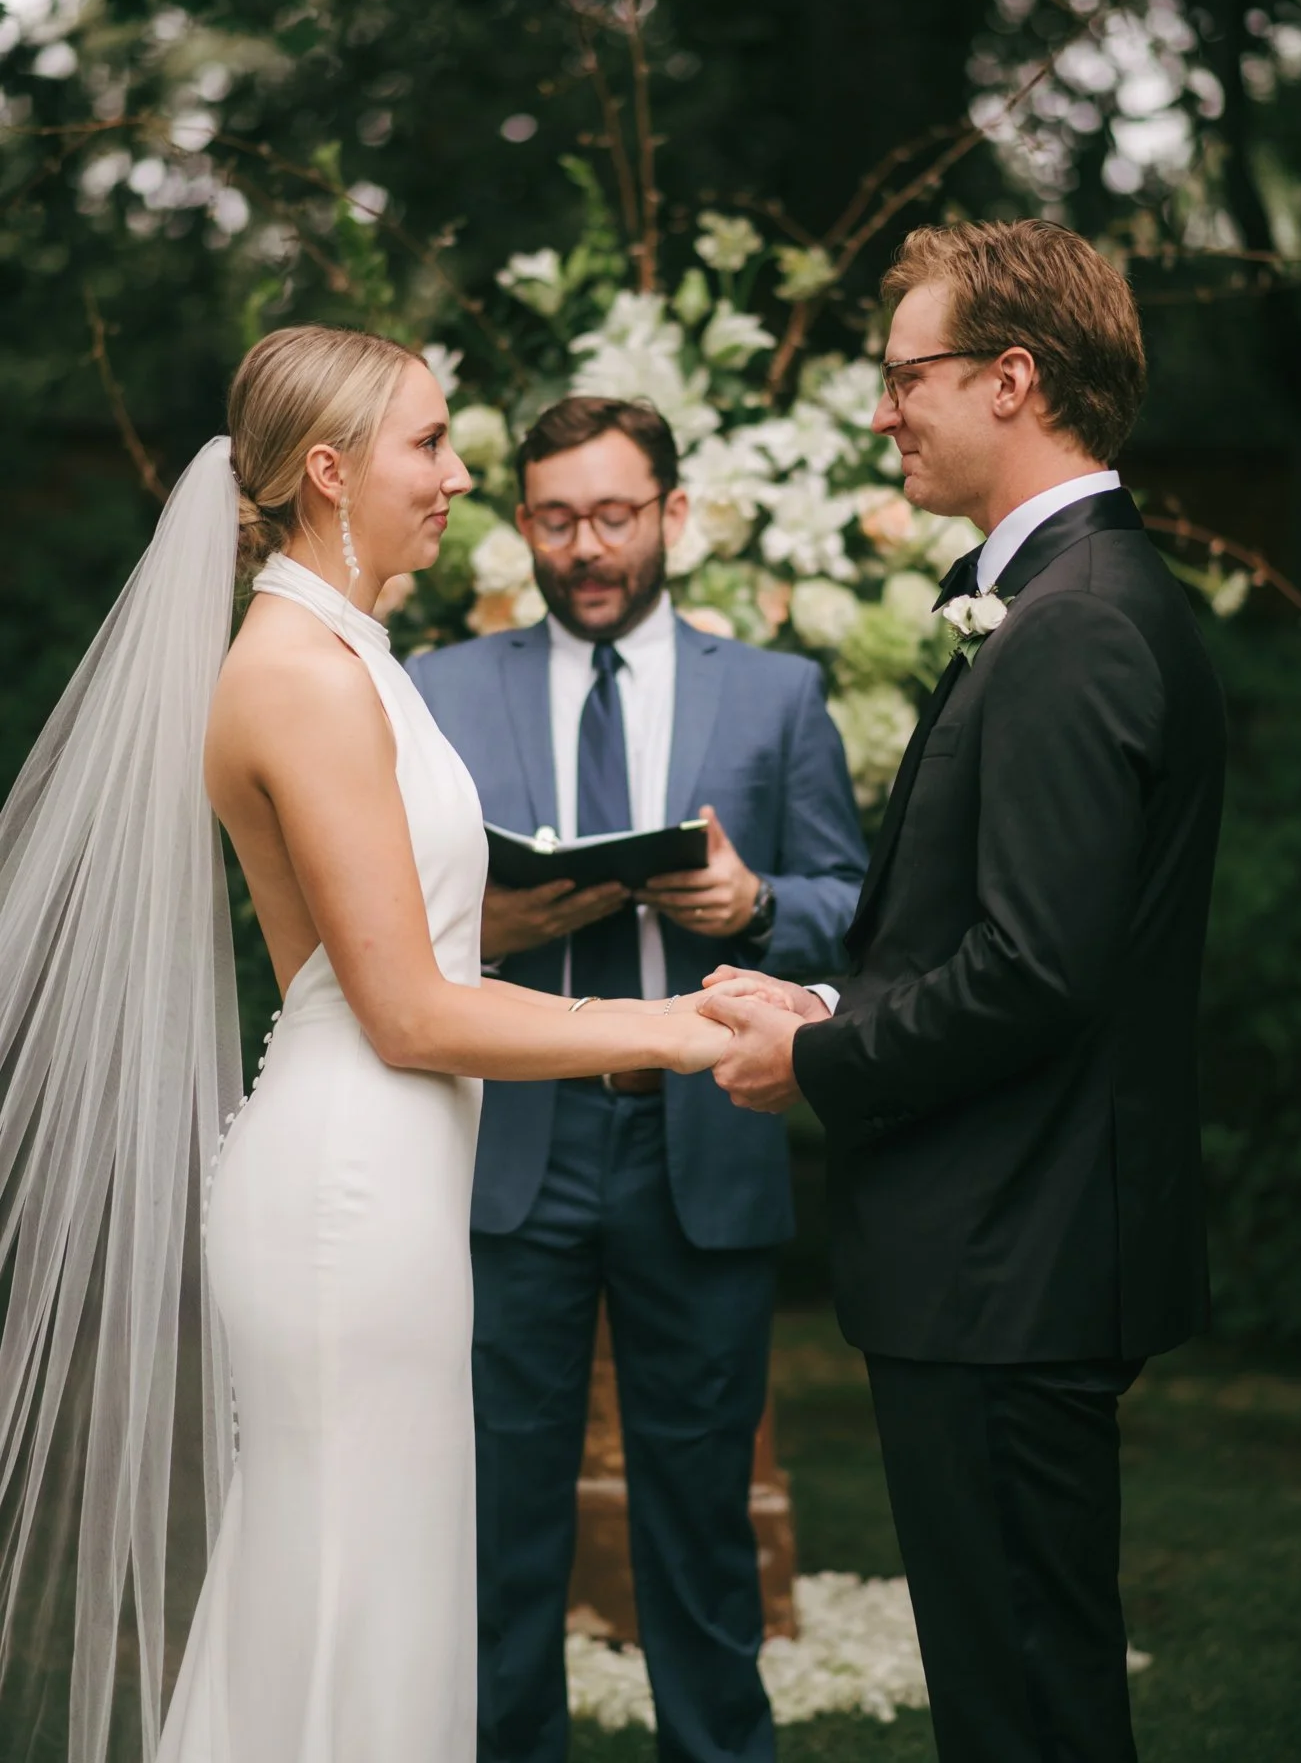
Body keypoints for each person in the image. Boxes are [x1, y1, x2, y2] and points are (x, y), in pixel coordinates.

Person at [0, 326, 728, 1763]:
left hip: (392, 1172)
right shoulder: (300, 675)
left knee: (380, 1590)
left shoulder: (352, 656)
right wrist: (676, 1026)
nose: (458, 476)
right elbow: (405, 1010)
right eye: (430, 443)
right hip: (347, 1190)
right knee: (345, 1594)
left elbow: (414, 965)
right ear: (330, 472)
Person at [701, 220, 1226, 1763]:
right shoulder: (1067, 599)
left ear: (1011, 379)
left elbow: (1034, 971)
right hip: (1012, 1244)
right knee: (1020, 1690)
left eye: (903, 377)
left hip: (1014, 1253)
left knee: (1024, 1708)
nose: (881, 413)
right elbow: (1009, 941)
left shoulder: (1075, 625)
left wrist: (817, 1063)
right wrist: (826, 1007)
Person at [408, 395, 866, 1763]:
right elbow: (381, 915)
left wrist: (753, 903)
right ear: (521, 527)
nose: (587, 548)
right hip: (512, 1148)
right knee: (495, 1520)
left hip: (701, 1139)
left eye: (614, 516)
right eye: (556, 520)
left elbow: (858, 908)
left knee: (702, 1519)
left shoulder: (777, 693)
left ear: (672, 513)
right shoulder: (440, 687)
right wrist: (486, 924)